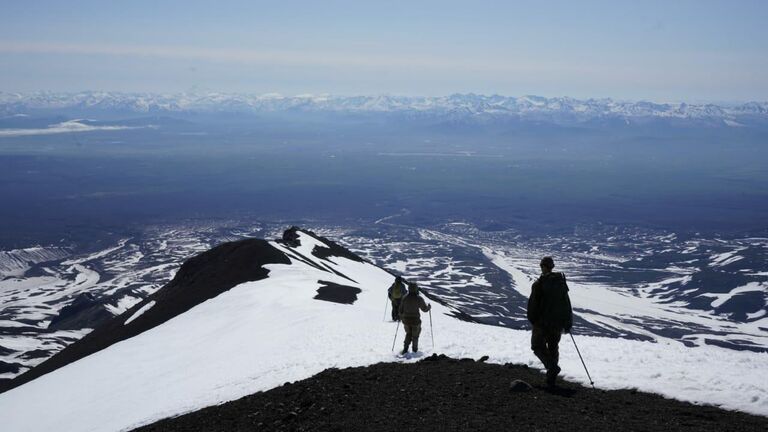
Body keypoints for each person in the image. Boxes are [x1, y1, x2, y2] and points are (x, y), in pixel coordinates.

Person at [527, 256, 573, 387]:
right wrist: (568, 322)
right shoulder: (560, 283)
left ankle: (551, 367)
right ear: (552, 267)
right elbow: (566, 304)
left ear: (542, 266)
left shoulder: (539, 284)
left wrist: (533, 320)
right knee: (553, 348)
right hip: (557, 323)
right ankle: (551, 379)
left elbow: (533, 305)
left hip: (542, 323)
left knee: (537, 346)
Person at [398, 282, 431, 354]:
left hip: (406, 320)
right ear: (416, 289)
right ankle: (414, 350)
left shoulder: (404, 297)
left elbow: (400, 310)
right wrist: (429, 307)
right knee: (415, 336)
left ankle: (405, 349)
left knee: (408, 334)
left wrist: (402, 317)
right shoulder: (419, 298)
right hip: (415, 320)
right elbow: (424, 309)